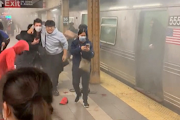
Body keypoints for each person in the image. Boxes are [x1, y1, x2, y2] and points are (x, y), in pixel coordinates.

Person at [41, 20, 68, 96]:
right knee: (47, 71)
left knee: (55, 72)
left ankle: (54, 88)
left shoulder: (59, 35)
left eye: (51, 27)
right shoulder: (43, 31)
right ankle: (48, 86)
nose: (49, 29)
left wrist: (64, 55)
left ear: (54, 27)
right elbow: (36, 24)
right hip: (47, 56)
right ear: (45, 27)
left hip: (57, 55)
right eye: (48, 27)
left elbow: (65, 44)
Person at [70, 28, 94, 108]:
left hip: (85, 66)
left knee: (85, 84)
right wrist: (80, 49)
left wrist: (88, 51)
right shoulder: (74, 42)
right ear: (78, 35)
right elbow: (71, 51)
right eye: (81, 35)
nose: (83, 37)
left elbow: (92, 55)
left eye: (84, 35)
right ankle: (78, 93)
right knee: (75, 83)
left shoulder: (89, 43)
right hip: (76, 65)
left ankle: (85, 101)